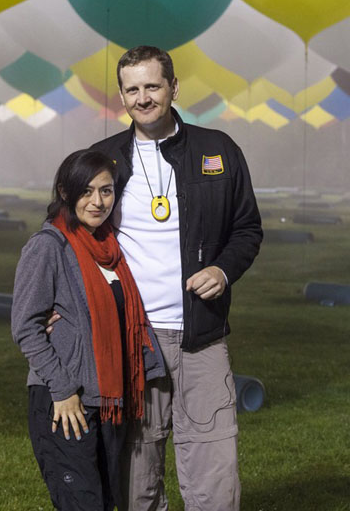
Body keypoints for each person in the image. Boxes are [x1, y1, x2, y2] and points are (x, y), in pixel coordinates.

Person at [91, 45, 264, 510]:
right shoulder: (102, 159)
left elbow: (247, 228)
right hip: (132, 338)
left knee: (215, 475)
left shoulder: (218, 150)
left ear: (173, 88)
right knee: (134, 474)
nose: (143, 98)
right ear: (122, 95)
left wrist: (224, 270)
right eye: (132, 89)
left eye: (152, 86)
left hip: (201, 336)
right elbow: (72, 243)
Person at [11, 149, 166, 511]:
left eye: (106, 191)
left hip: (109, 400)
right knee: (83, 503)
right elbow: (25, 326)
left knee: (106, 501)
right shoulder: (49, 246)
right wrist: (63, 391)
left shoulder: (110, 248)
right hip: (66, 400)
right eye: (87, 191)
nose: (98, 201)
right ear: (65, 192)